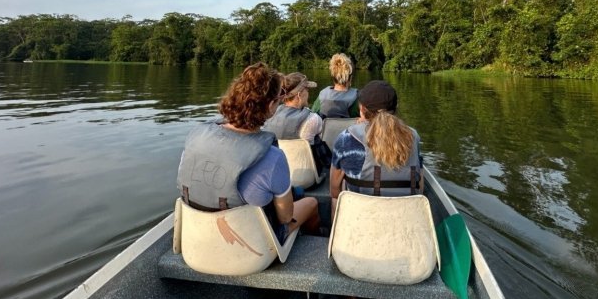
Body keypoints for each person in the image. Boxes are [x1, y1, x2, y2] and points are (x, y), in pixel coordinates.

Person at [176, 63, 319, 240]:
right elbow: (285, 217)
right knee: (311, 203)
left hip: (197, 238)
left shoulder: (196, 135)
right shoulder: (273, 157)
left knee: (293, 192)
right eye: (278, 99)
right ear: (270, 106)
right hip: (251, 247)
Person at [329, 80, 423, 212]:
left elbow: (334, 190)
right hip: (404, 216)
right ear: (396, 108)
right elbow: (421, 187)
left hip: (362, 217)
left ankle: (337, 232)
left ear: (362, 109)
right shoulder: (413, 136)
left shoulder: (346, 138)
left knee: (336, 198)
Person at [312, 53, 359, 118]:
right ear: (350, 78)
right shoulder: (357, 98)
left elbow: (313, 116)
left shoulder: (322, 96)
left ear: (333, 76)